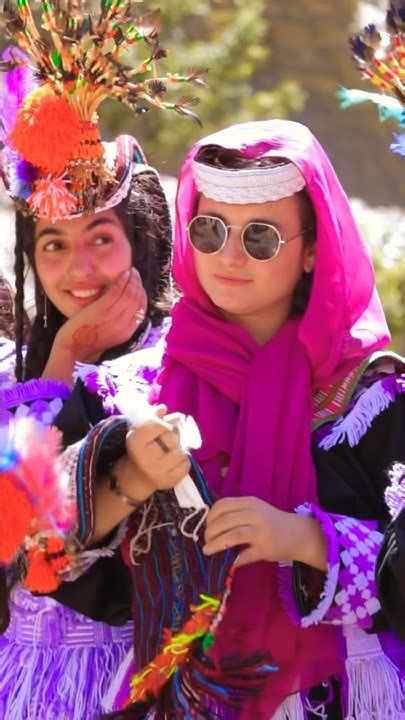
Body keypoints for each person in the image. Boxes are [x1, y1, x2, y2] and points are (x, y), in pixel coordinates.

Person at [50, 119, 405, 719]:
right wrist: (131, 479)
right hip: (168, 699)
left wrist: (304, 538)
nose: (229, 256)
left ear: (314, 248)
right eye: (210, 231)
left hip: (334, 698)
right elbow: (35, 550)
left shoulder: (368, 400)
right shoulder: (131, 391)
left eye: (261, 238)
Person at [0, 0, 203, 716]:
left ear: (144, 241)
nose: (77, 268)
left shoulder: (179, 363)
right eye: (53, 243)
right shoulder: (14, 366)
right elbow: (11, 529)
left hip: (134, 679)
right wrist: (63, 354)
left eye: (101, 238)